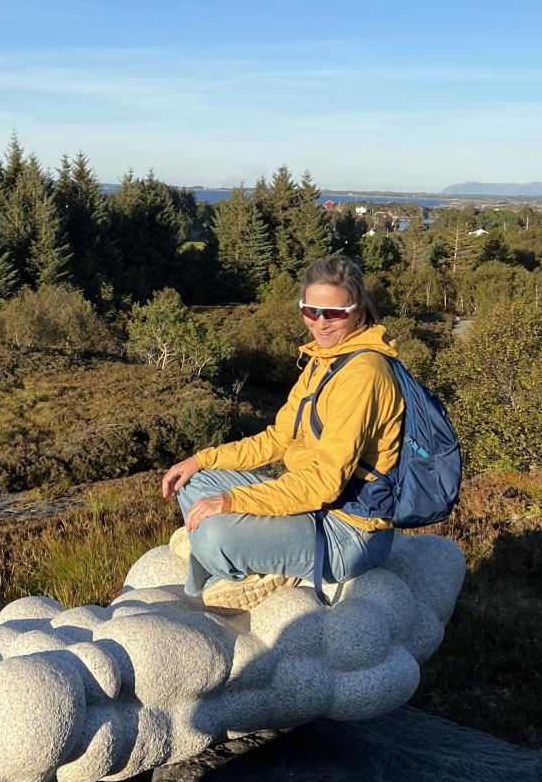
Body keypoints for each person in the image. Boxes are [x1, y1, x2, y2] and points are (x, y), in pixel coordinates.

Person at [161, 253, 405, 611]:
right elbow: (278, 438)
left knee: (213, 536)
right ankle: (237, 554)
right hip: (313, 506)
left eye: (334, 313)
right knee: (193, 481)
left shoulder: (363, 375)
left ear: (357, 310)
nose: (320, 323)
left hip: (349, 531)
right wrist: (201, 459)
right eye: (311, 311)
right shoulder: (326, 360)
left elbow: (324, 485)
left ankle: (241, 564)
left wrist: (230, 503)